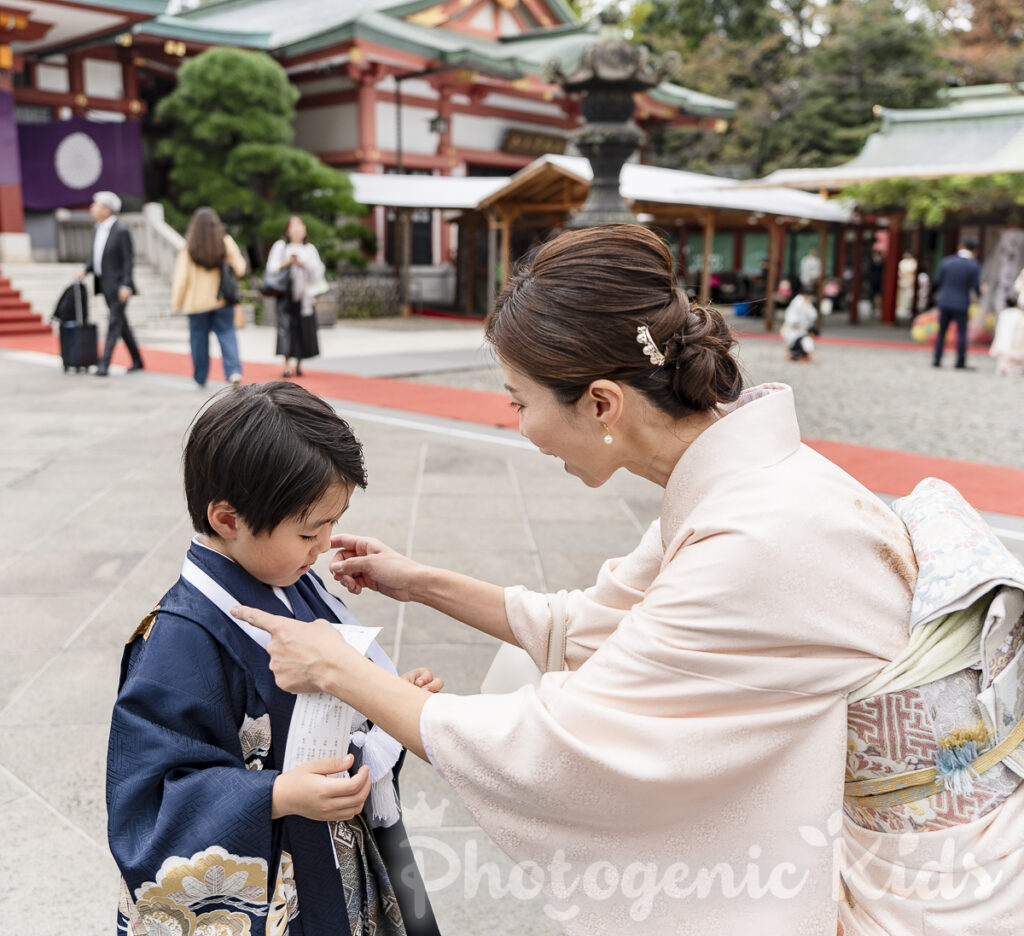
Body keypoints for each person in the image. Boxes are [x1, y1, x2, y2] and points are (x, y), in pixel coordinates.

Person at [233, 226, 1024, 936]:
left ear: (602, 403)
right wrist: (419, 581)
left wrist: (337, 668)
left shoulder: (754, 536)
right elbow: (587, 625)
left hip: (925, 887)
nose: (519, 425)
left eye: (520, 401)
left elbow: (564, 750)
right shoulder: (738, 477)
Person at [106, 382, 442, 936]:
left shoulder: (293, 582)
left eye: (333, 522)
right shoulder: (179, 638)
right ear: (227, 519)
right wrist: (277, 794)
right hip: (284, 878)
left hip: (334, 849)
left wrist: (383, 701)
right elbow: (148, 804)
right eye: (310, 531)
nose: (325, 544)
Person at [171, 206, 247, 388]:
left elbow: (181, 280)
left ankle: (200, 377)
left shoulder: (190, 248)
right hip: (222, 300)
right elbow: (241, 269)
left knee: (198, 341)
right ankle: (233, 371)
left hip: (196, 304)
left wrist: (177, 304)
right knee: (227, 334)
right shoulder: (225, 242)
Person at [80, 191, 143, 376]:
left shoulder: (121, 230)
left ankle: (103, 364)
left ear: (107, 209)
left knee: (114, 322)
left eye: (96, 205)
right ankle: (137, 360)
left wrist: (126, 285)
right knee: (121, 323)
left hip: (118, 285)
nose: (92, 208)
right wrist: (86, 269)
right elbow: (97, 257)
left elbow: (128, 260)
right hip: (103, 283)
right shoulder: (97, 229)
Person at [266, 215, 324, 378]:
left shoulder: (310, 249)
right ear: (287, 230)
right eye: (294, 225)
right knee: (285, 329)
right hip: (285, 295)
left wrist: (303, 264)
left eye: (301, 225)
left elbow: (318, 272)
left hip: (305, 295)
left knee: (303, 328)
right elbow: (271, 268)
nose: (298, 229)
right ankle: (286, 363)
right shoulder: (281, 246)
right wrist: (288, 262)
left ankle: (299, 363)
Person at [932, 236, 982, 369]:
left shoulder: (947, 261)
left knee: (942, 331)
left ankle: (937, 359)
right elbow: (976, 287)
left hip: (945, 301)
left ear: (961, 246)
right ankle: (960, 362)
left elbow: (937, 281)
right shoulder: (973, 265)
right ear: (974, 250)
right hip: (961, 302)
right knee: (961, 333)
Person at [780, 285, 819, 361]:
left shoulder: (808, 302)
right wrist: (794, 323)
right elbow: (790, 314)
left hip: (803, 328)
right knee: (795, 342)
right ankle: (795, 355)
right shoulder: (797, 302)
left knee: (805, 341)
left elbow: (813, 315)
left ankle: (804, 355)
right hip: (795, 328)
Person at [896, 251, 918, 321]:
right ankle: (901, 309)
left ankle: (908, 310)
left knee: (909, 297)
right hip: (902, 282)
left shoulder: (913, 263)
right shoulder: (902, 262)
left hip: (910, 282)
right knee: (901, 297)